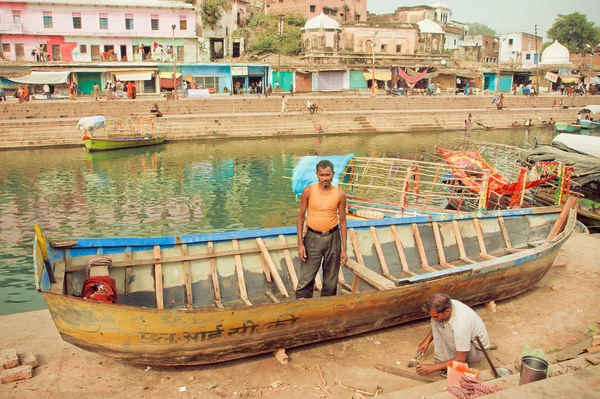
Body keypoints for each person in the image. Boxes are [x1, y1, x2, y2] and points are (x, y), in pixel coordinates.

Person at [296, 160, 348, 299]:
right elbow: (300, 218)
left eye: (328, 174)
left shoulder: (339, 194)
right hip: (312, 238)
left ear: (333, 174)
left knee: (331, 280)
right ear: (317, 175)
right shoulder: (309, 191)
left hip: (333, 237)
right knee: (306, 278)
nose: (325, 178)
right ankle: (302, 310)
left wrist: (344, 249)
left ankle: (327, 309)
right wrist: (300, 244)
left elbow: (343, 222)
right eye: (322, 175)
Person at [415, 293, 490, 375]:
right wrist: (427, 341)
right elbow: (436, 322)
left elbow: (461, 358)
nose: (434, 319)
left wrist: (433, 368)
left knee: (447, 332)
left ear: (447, 311)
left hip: (477, 351)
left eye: (436, 316)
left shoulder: (461, 323)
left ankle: (452, 366)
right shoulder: (448, 304)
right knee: (437, 322)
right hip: (467, 341)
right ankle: (444, 361)